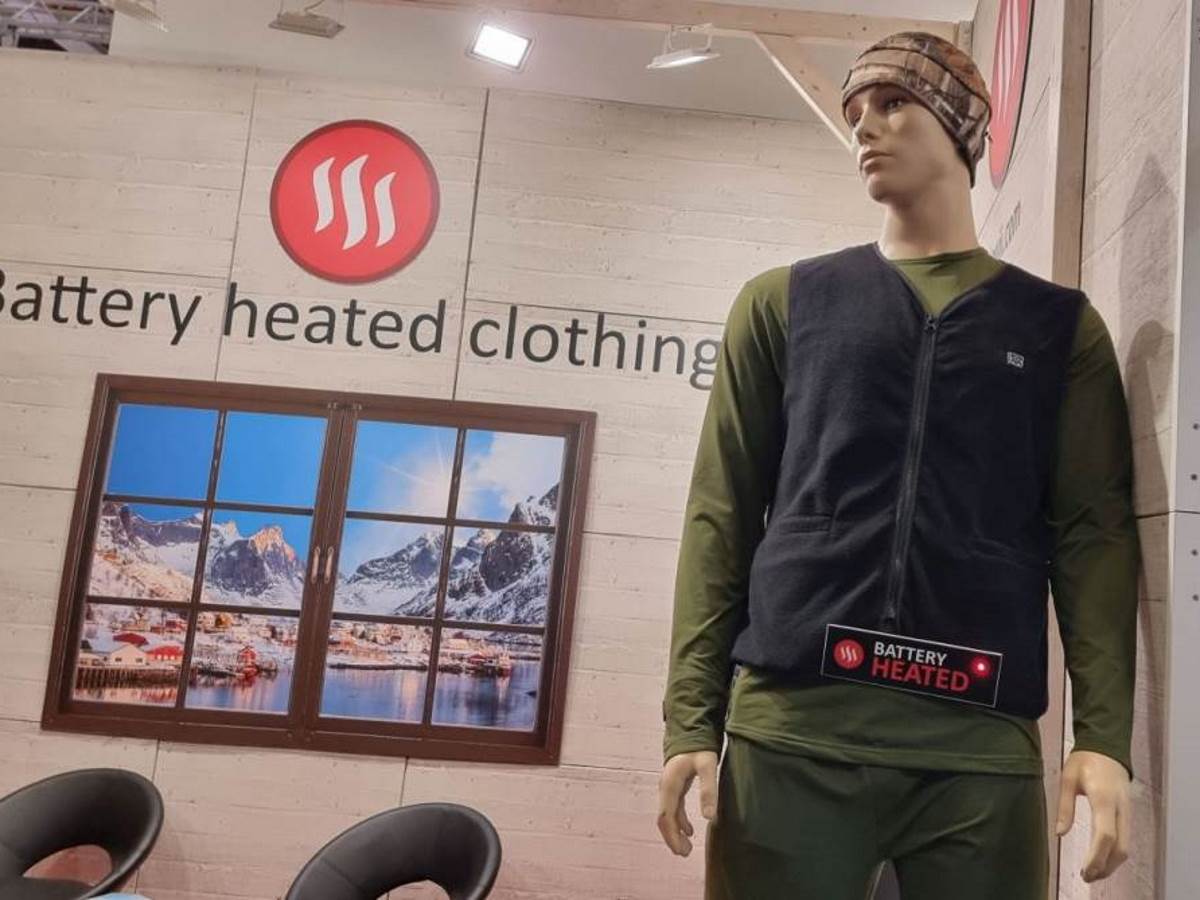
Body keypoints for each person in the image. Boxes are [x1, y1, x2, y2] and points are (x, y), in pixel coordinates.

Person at [655, 31, 1141, 900]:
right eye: (854, 113)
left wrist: (1102, 737)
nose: (865, 128)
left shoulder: (1057, 329)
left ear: (960, 126)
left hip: (976, 745)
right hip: (792, 734)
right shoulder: (784, 304)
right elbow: (721, 515)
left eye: (893, 104)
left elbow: (1092, 537)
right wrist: (691, 716)